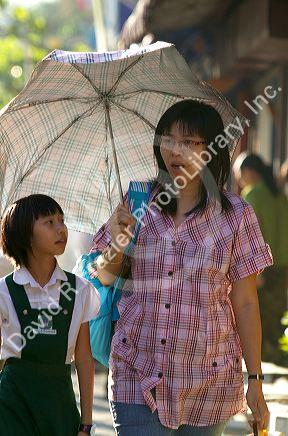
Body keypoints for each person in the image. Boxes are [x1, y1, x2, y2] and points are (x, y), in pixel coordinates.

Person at [91, 100, 273, 435]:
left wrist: (256, 381)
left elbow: (245, 303)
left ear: (211, 150)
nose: (176, 151)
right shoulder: (137, 201)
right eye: (169, 140)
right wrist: (117, 244)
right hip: (137, 370)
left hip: (210, 380)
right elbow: (103, 276)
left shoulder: (236, 214)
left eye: (189, 142)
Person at [0, 194, 100, 436]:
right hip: (10, 408)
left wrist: (86, 425)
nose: (61, 229)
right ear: (25, 234)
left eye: (62, 220)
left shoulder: (80, 289)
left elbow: (84, 359)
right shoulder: (3, 291)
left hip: (60, 409)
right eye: (49, 222)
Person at [233, 153, 288, 365]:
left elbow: (250, 236)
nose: (239, 181)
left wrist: (256, 274)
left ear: (249, 172)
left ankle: (259, 379)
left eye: (239, 175)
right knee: (274, 320)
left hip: (262, 269)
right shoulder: (280, 196)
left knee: (258, 323)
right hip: (283, 268)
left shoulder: (252, 195)